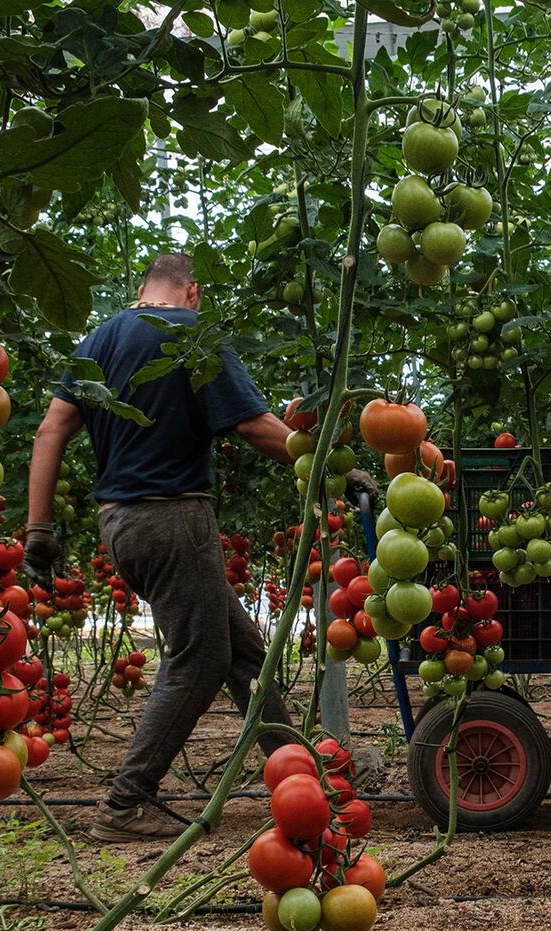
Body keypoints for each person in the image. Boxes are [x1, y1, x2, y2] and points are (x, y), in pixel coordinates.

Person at [25, 253, 365, 843]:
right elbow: (255, 426)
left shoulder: (98, 340)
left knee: (240, 651)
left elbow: (51, 429)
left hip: (121, 524)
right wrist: (333, 470)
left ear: (142, 288)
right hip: (173, 517)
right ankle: (126, 803)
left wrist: (38, 531)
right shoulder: (193, 335)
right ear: (193, 293)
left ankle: (299, 779)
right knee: (199, 659)